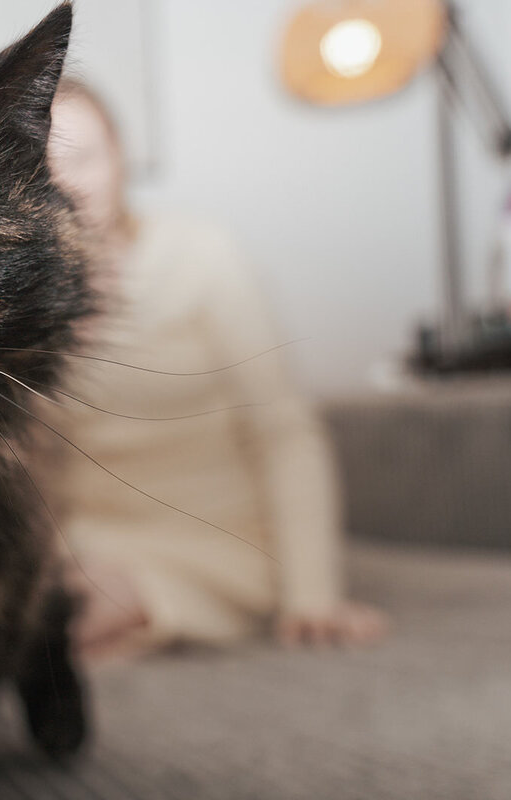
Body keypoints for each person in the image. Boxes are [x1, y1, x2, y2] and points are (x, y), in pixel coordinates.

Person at [47, 78, 388, 657]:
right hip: (85, 543)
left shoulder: (202, 257)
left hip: (219, 542)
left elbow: (285, 433)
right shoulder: (10, 298)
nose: (66, 183)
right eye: (41, 164)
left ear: (120, 159)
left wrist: (314, 597)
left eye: (83, 158)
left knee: (72, 621)